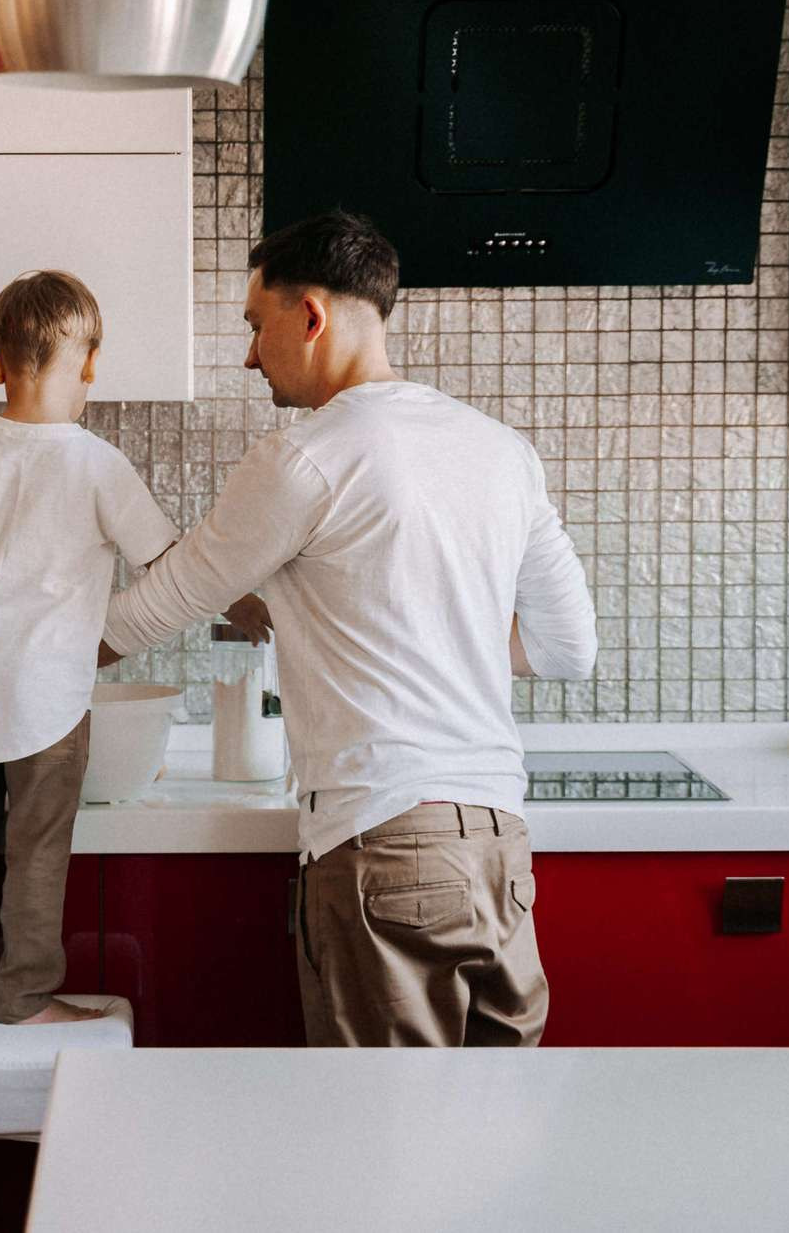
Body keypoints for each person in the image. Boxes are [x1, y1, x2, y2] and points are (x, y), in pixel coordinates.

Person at [99, 212, 598, 1048]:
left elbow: (153, 609)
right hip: (500, 851)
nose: (250, 355)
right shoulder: (502, 452)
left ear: (313, 316)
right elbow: (566, 648)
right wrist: (443, 637)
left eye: (258, 326)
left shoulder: (307, 460)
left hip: (386, 846)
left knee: (385, 1145)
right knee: (486, 1140)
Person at [0, 270, 267, 1025]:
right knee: (35, 848)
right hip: (50, 695)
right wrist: (245, 603)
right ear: (91, 364)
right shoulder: (98, 464)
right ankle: (25, 996)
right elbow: (170, 562)